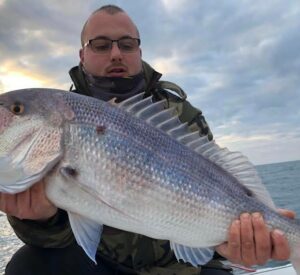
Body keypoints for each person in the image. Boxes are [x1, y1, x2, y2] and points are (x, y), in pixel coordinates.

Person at [0, 4, 295, 275]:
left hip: (182, 266)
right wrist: (39, 220)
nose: (116, 53)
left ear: (139, 51)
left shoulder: (181, 114)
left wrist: (231, 241)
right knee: (26, 267)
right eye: (101, 45)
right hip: (106, 264)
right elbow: (62, 236)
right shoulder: (66, 118)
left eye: (127, 44)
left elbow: (216, 184)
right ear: (82, 54)